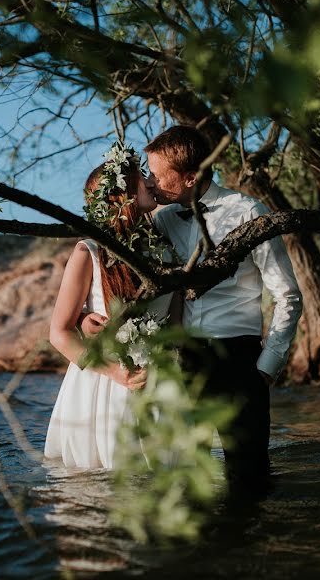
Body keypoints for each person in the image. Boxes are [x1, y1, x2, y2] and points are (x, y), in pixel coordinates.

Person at [82, 126, 303, 489]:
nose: (150, 182)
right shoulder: (161, 219)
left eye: (156, 174)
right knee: (183, 479)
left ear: (189, 178)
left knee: (248, 480)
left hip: (238, 359)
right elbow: (114, 258)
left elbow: (288, 295)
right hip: (178, 364)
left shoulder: (248, 212)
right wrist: (83, 315)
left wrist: (267, 368)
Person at [44, 141, 173, 469]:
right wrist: (115, 372)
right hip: (107, 382)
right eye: (140, 176)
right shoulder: (89, 252)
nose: (148, 181)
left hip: (160, 376)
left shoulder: (164, 249)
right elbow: (59, 333)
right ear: (124, 195)